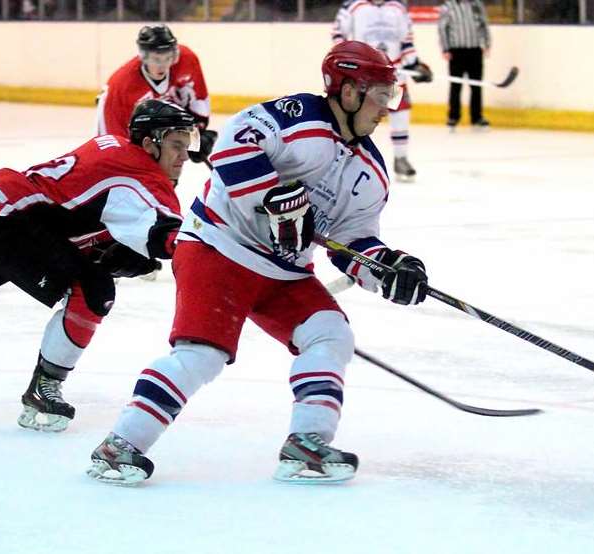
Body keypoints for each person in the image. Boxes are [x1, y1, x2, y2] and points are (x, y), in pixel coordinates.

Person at [86, 40, 430, 486]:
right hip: (219, 246)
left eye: (391, 95)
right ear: (347, 91)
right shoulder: (298, 117)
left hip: (283, 272)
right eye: (380, 94)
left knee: (330, 334)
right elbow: (232, 144)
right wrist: (270, 200)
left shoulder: (371, 172)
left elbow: (352, 242)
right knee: (201, 356)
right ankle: (121, 446)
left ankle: (307, 444)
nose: (387, 107)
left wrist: (387, 269)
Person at [0, 99, 197, 432]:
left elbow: (79, 207)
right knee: (94, 290)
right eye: (177, 146)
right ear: (150, 144)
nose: (185, 156)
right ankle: (44, 386)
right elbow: (165, 239)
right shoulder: (141, 179)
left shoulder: (112, 144)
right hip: (8, 226)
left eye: (187, 146)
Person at [332, 0, 433, 182]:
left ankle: (401, 158)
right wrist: (347, 57)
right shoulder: (354, 6)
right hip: (363, 77)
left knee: (400, 112)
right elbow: (338, 34)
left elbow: (406, 42)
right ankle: (346, 157)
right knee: (356, 117)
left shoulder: (398, 8)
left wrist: (414, 64)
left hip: (392, 77)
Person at [97, 24, 216, 164]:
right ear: (144, 57)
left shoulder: (187, 61)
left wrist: (195, 141)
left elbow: (197, 106)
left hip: (159, 124)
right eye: (156, 59)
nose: (163, 66)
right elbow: (113, 141)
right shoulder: (122, 86)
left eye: (168, 58)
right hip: (116, 120)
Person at [438, 0, 492, 131]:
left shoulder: (476, 4)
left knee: (476, 85)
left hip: (475, 50)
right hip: (456, 51)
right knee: (456, 85)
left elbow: (484, 24)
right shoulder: (448, 6)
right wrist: (445, 49)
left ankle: (477, 117)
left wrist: (486, 44)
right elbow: (442, 27)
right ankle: (453, 117)